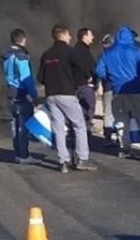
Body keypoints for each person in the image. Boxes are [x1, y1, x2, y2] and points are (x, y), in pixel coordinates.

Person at [37, 25, 98, 173]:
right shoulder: (70, 52)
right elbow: (82, 69)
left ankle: (63, 161)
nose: (70, 37)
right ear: (63, 35)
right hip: (67, 94)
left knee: (59, 129)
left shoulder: (46, 54)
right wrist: (88, 77)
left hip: (51, 96)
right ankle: (82, 159)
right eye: (69, 35)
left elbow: (40, 78)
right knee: (79, 125)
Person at [96, 27, 140, 158]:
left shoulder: (107, 53)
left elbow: (99, 71)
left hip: (118, 91)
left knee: (121, 120)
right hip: (138, 90)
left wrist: (111, 78)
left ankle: (125, 147)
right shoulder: (136, 51)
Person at [1, 28, 39, 165]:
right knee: (24, 126)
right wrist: (34, 95)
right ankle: (23, 155)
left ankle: (18, 153)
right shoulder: (21, 56)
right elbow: (26, 78)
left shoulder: (6, 55)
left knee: (15, 126)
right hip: (22, 94)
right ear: (23, 39)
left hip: (11, 93)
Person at [71, 28, 97, 132]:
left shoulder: (78, 49)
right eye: (90, 35)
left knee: (82, 108)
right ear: (84, 36)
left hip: (78, 84)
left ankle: (80, 128)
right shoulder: (82, 51)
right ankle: (85, 129)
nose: (93, 37)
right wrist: (90, 77)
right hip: (85, 84)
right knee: (89, 108)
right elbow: (87, 66)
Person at [99, 34, 117, 145]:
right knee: (121, 114)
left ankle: (108, 137)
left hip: (109, 87)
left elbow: (99, 71)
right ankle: (122, 139)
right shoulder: (121, 55)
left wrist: (107, 77)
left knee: (108, 113)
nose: (104, 46)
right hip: (120, 88)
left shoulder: (104, 56)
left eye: (105, 43)